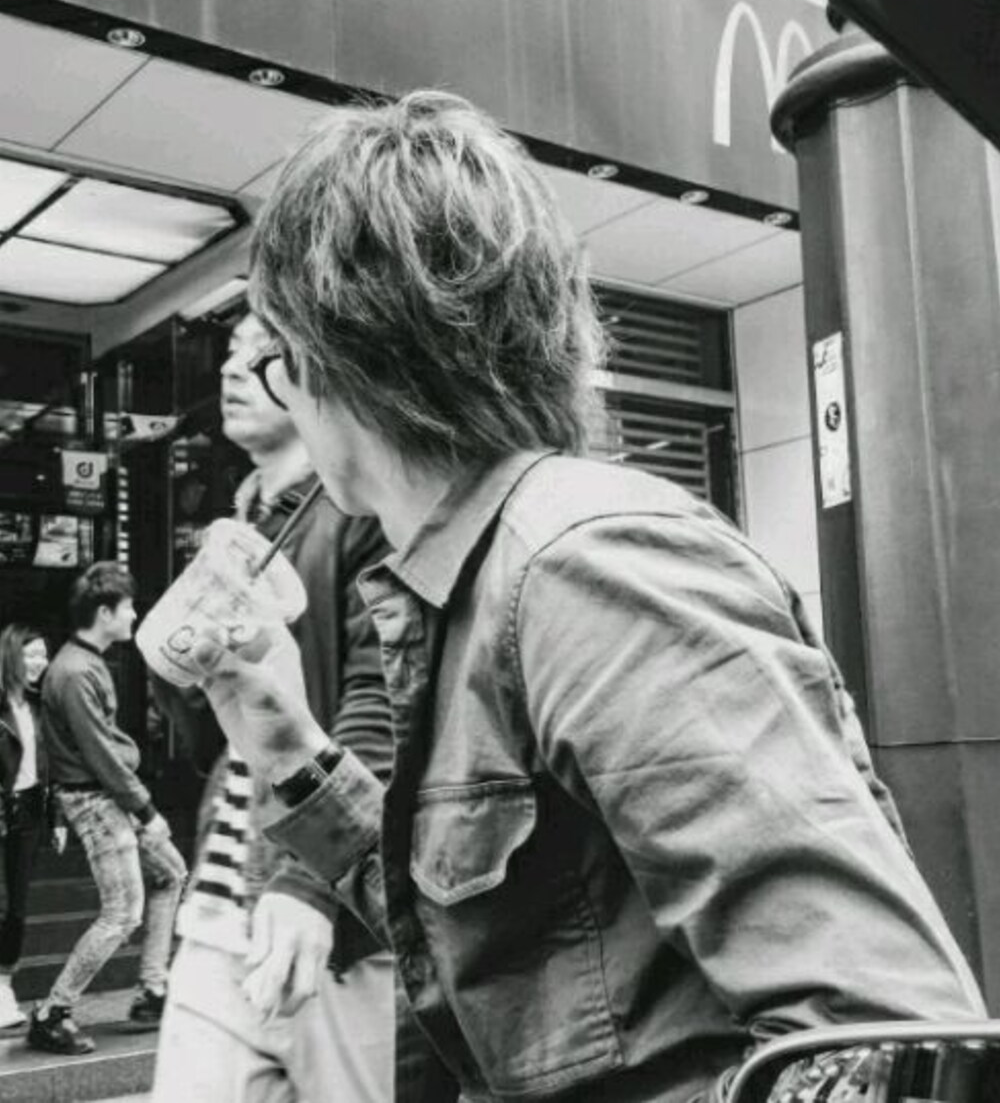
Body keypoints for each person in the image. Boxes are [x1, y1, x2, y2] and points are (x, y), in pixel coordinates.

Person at [190, 91, 985, 1103]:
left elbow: (877, 1049)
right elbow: (487, 934)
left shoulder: (589, 565)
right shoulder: (465, 582)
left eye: (269, 354)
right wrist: (282, 742)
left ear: (323, 353)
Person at [150, 310, 396, 1103]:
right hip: (222, 903)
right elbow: (220, 743)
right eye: (229, 353)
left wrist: (312, 881)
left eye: (259, 354)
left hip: (329, 924)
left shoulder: (363, 514)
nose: (232, 370)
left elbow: (384, 703)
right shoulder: (239, 525)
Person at [29, 562, 187, 1055]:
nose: (135, 614)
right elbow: (101, 755)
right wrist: (147, 811)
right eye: (128, 607)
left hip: (106, 797)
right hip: (96, 802)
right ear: (104, 613)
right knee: (121, 914)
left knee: (171, 873)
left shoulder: (85, 663)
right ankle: (53, 1012)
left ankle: (153, 990)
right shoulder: (75, 672)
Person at [0, 625, 65, 1029]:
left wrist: (56, 819)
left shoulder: (38, 708)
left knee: (17, 908)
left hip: (28, 813)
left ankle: (3, 988)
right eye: (31, 655)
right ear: (11, 656)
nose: (40, 662)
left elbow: (48, 767)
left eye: (43, 655)